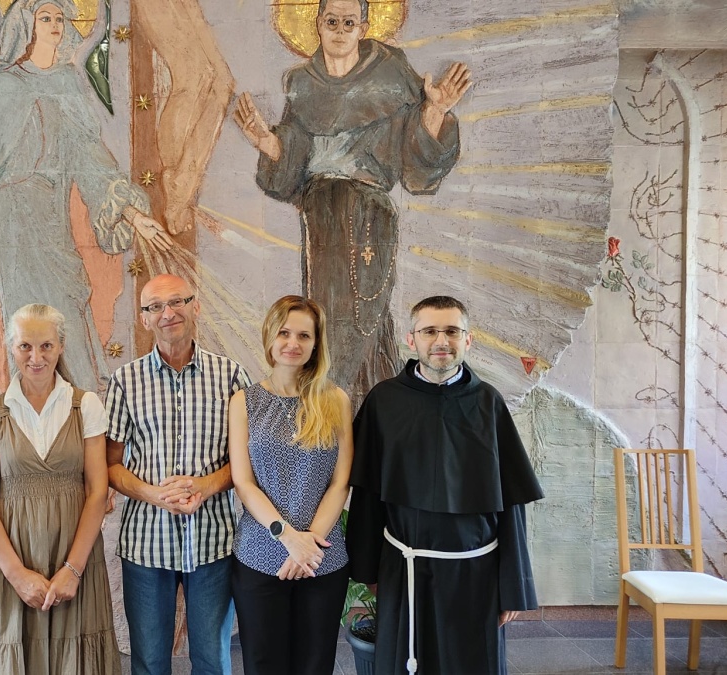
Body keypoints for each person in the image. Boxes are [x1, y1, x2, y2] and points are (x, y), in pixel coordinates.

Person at [0, 0, 172, 391]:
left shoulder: (67, 83)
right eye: (46, 17)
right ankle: (28, 413)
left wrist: (132, 213)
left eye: (59, 18)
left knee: (67, 315)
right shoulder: (3, 85)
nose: (55, 24)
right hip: (12, 225)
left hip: (53, 222)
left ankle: (82, 407)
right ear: (27, 25)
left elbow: (90, 158)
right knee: (25, 325)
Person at [234, 0, 470, 400]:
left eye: (349, 22)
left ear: (363, 27)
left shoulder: (392, 73)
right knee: (326, 313)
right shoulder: (302, 83)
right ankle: (348, 408)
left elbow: (415, 163)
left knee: (363, 315)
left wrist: (435, 111)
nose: (340, 31)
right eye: (332, 22)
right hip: (320, 213)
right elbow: (293, 162)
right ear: (318, 25)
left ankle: (355, 406)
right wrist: (267, 143)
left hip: (367, 210)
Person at [345, 296, 544, 675]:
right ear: (411, 339)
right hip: (405, 569)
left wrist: (512, 585)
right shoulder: (384, 401)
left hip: (476, 572)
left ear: (468, 340)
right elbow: (367, 494)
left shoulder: (488, 403)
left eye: (452, 331)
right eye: (429, 331)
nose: (441, 341)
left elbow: (511, 503)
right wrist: (367, 570)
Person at [104, 273, 253, 675]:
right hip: (146, 543)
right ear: (144, 318)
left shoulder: (231, 376)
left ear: (195, 306)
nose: (168, 313)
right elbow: (110, 464)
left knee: (212, 660)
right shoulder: (125, 381)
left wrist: (206, 486)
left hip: (213, 541)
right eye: (156, 307)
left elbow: (246, 459)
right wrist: (154, 494)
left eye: (177, 302)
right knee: (150, 662)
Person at [0, 303, 120, 674]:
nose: (36, 357)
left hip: (75, 557)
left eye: (46, 345)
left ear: (61, 345)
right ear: (12, 349)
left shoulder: (86, 405)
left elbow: (97, 491)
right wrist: (17, 575)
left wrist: (73, 570)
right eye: (25, 346)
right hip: (10, 562)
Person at [228, 296, 353, 675]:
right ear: (270, 336)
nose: (293, 343)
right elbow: (244, 482)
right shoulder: (244, 402)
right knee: (263, 664)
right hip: (260, 556)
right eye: (284, 333)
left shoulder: (335, 400)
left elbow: (340, 482)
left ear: (316, 344)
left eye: (304, 335)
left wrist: (308, 544)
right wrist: (287, 537)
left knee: (314, 665)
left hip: (322, 559)